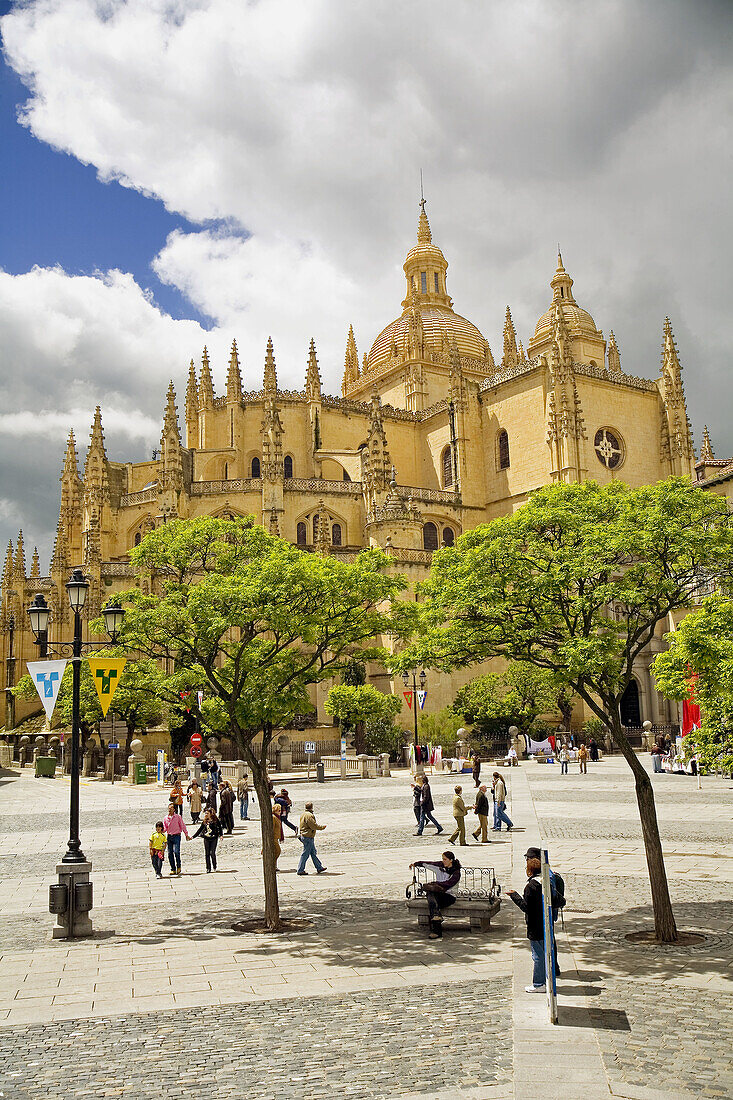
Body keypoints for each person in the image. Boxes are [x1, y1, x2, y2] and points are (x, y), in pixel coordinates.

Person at [410, 852, 462, 939]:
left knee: (432, 899)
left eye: (445, 859)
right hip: (437, 895)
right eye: (442, 859)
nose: (443, 861)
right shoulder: (440, 866)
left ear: (451, 860)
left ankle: (436, 930)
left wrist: (436, 884)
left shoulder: (456, 872)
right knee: (433, 900)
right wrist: (416, 864)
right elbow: (429, 864)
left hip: (449, 896)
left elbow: (448, 884)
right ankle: (436, 923)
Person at [297, 801, 327, 875]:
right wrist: (322, 827)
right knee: (305, 854)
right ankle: (300, 869)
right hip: (308, 836)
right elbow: (313, 825)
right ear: (312, 807)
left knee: (313, 852)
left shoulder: (303, 814)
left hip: (305, 835)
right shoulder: (309, 815)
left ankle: (319, 867)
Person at [191, 808, 223, 872]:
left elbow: (220, 827)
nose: (206, 814)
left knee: (212, 852)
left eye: (207, 813)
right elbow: (200, 830)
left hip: (214, 838)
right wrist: (193, 837)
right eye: (205, 813)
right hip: (206, 838)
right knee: (207, 853)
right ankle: (208, 868)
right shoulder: (205, 821)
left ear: (211, 814)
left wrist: (221, 835)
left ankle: (214, 865)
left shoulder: (215, 820)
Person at [163, 801, 189, 876]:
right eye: (169, 808)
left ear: (174, 809)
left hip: (177, 836)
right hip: (169, 836)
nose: (169, 810)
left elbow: (182, 825)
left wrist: (186, 834)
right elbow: (165, 828)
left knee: (177, 852)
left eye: (171, 808)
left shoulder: (178, 817)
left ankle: (179, 866)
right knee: (170, 853)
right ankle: (173, 868)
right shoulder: (166, 818)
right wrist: (161, 831)